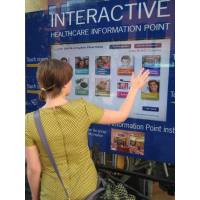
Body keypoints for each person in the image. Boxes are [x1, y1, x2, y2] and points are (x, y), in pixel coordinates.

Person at [25, 59, 150, 200]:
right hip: (87, 190)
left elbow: (34, 169)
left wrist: (35, 197)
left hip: (53, 193)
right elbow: (121, 116)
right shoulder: (82, 108)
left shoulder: (29, 121)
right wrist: (133, 89)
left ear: (42, 85)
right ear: (65, 84)